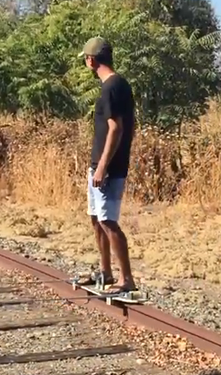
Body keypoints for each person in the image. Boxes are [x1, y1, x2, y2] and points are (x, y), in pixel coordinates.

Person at [78, 36, 137, 294]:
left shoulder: (111, 88)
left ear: (91, 60)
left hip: (109, 168)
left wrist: (102, 166)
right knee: (96, 218)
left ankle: (126, 280)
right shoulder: (119, 84)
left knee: (108, 221)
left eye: (86, 60)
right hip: (101, 165)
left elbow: (116, 129)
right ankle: (106, 272)